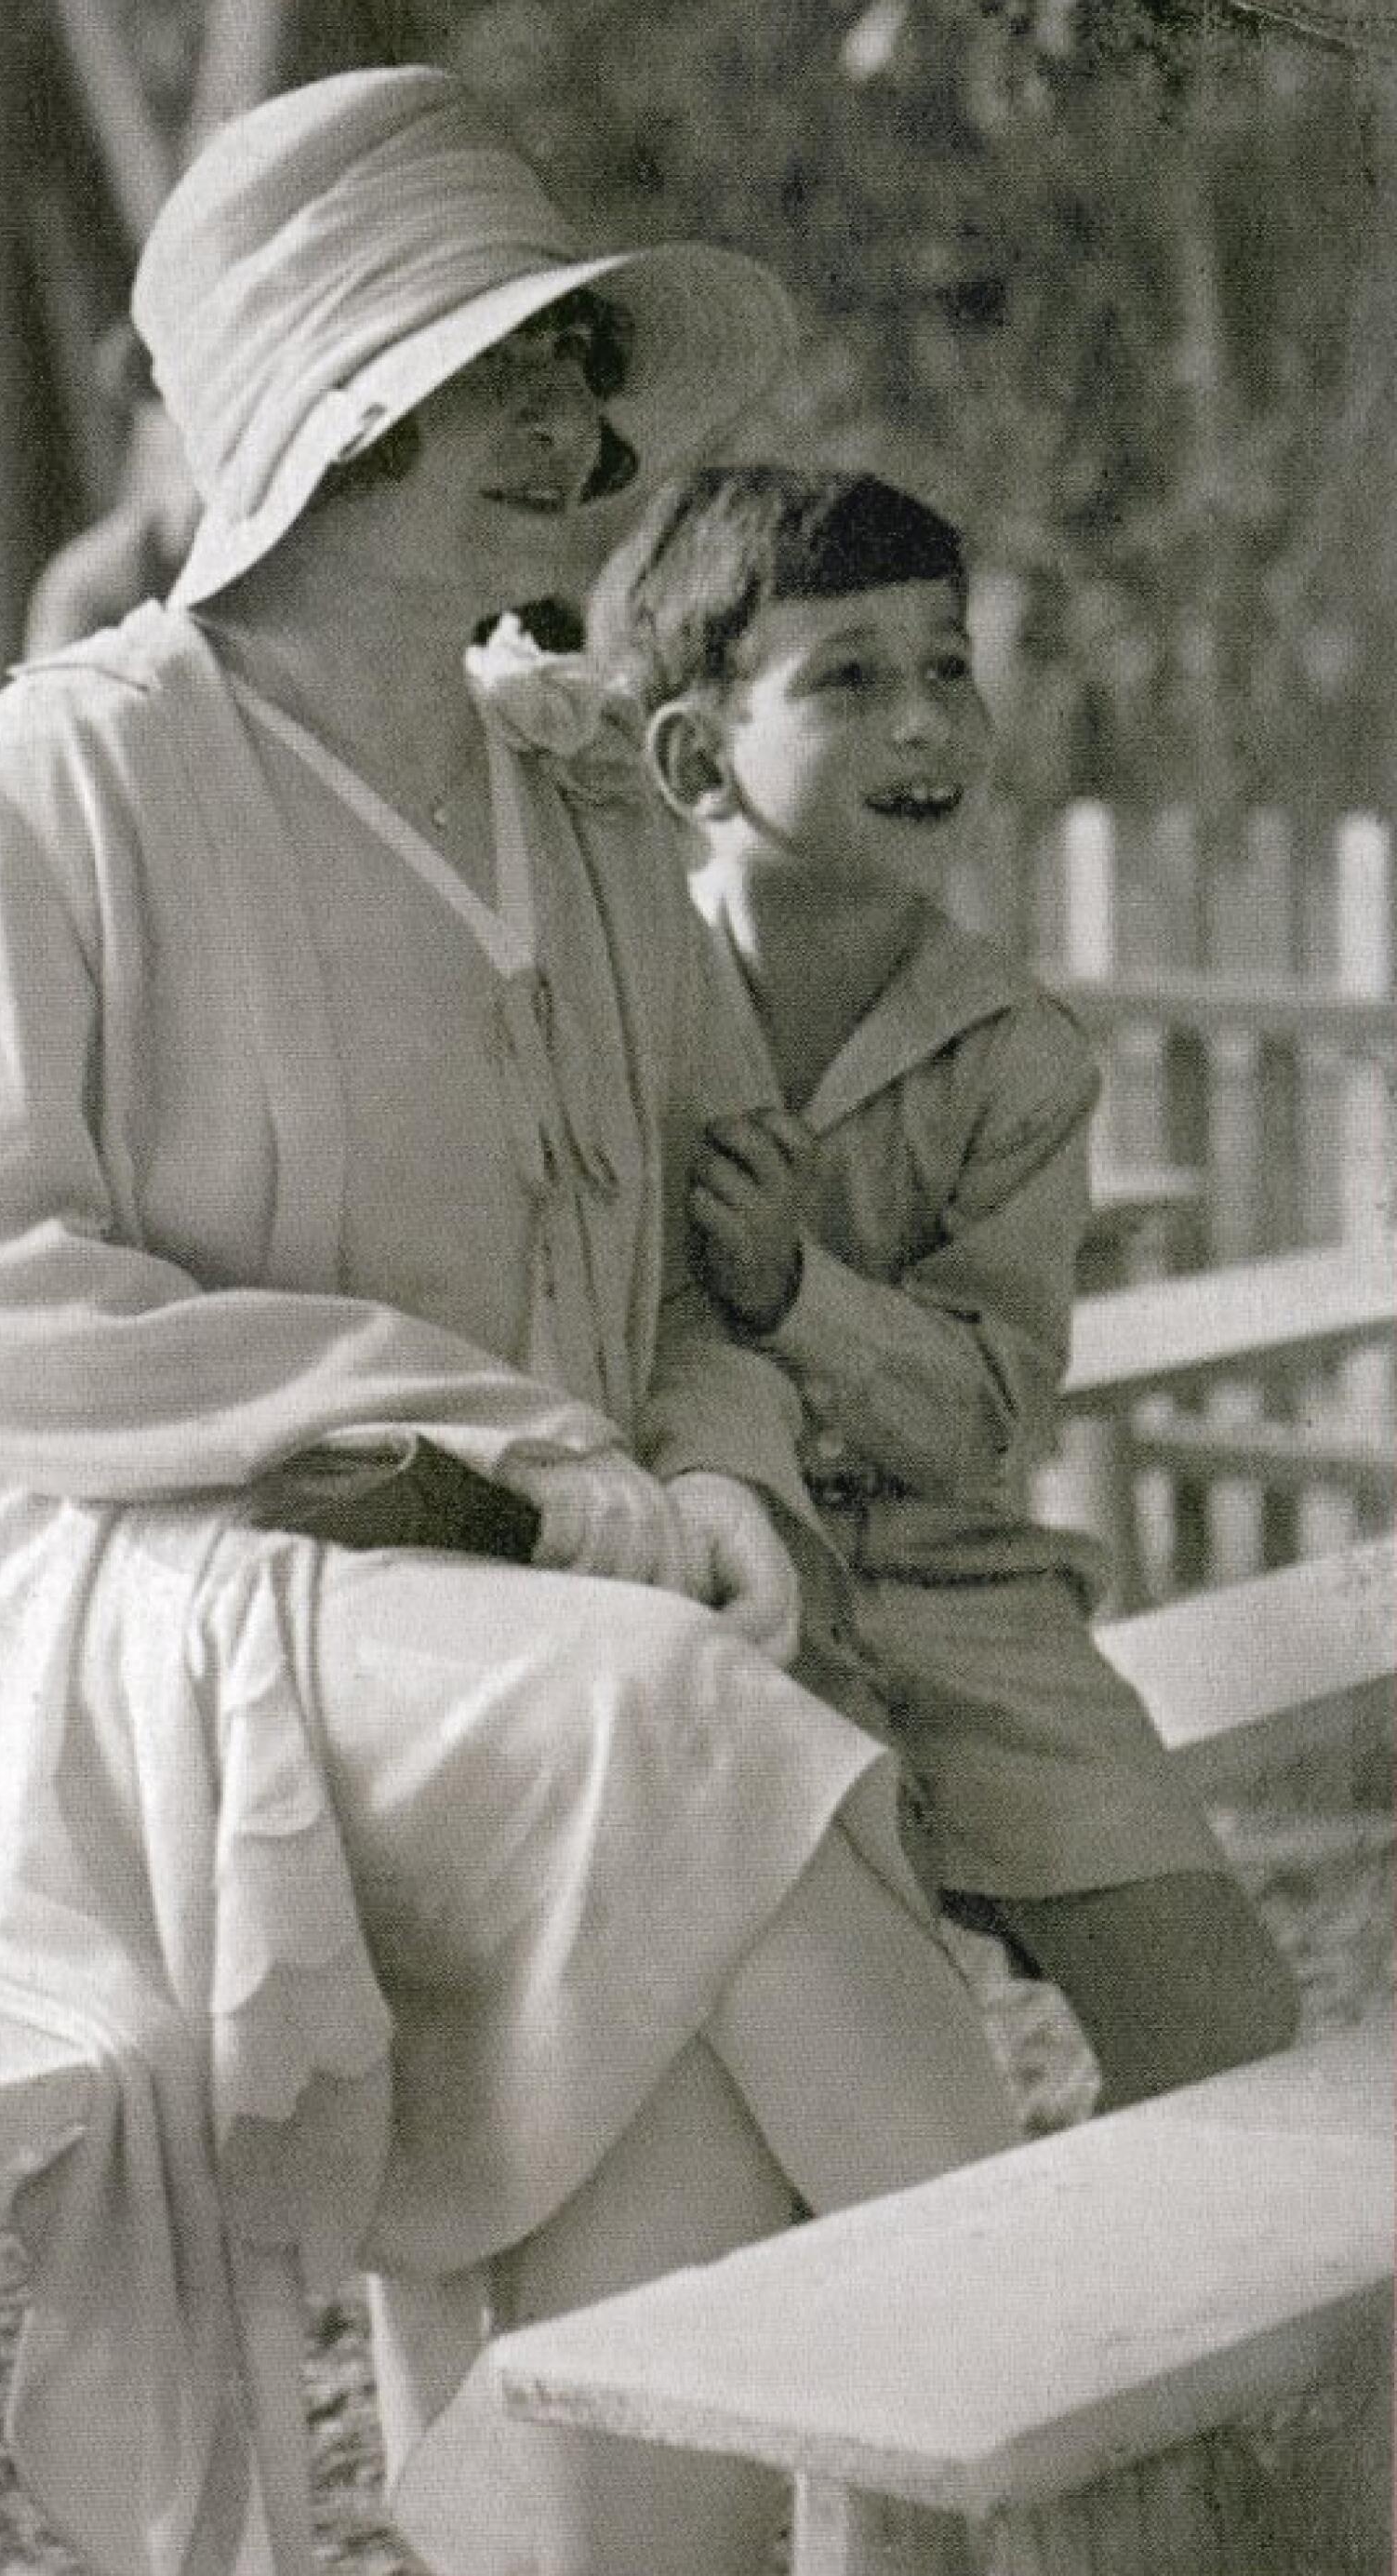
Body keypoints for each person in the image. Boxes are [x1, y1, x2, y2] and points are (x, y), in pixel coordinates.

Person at [0, 78, 1022, 2576]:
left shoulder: (576, 803)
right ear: (327, 420)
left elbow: (695, 1248)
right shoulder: (59, 790)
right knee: (701, 1733)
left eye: (580, 369)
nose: (574, 436)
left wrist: (710, 1475)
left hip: (498, 1609)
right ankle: (1103, 2425)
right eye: (498, 384)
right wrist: (543, 1461)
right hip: (101, 1597)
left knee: (657, 2065)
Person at [588, 460, 1299, 2119]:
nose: (925, 724)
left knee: (1226, 2020)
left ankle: (1118, 2341)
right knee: (858, 2098)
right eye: (850, 679)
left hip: (963, 1595)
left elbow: (987, 1417)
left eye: (946, 667)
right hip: (710, 1602)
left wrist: (798, 1294)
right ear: (695, 758)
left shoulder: (1019, 1059)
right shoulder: (619, 1015)